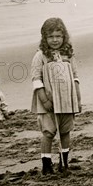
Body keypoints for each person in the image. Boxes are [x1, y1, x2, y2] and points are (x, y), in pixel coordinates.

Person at [31, 18, 82, 175]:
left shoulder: (68, 54)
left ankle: (64, 162)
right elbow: (36, 79)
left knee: (65, 130)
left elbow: (75, 77)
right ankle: (46, 165)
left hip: (67, 99)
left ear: (64, 36)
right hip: (48, 101)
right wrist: (44, 100)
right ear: (44, 38)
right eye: (51, 36)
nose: (55, 40)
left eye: (58, 36)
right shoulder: (40, 56)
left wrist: (78, 99)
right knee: (48, 132)